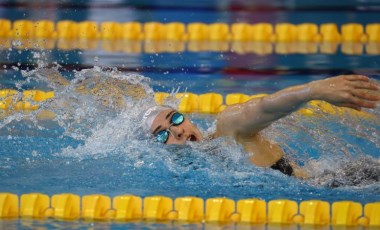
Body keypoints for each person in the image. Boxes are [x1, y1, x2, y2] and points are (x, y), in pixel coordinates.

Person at [143, 75, 380, 178]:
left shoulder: (228, 130)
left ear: (188, 119)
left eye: (175, 119)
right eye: (163, 134)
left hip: (349, 180)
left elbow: (263, 107)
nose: (177, 130)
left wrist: (314, 90)